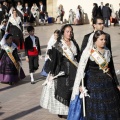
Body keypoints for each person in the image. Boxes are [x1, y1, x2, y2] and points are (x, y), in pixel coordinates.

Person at [68, 30, 120, 120]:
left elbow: (111, 69)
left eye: (105, 39)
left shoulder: (107, 51)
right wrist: (81, 84)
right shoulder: (89, 53)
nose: (104, 41)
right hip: (93, 84)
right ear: (95, 40)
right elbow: (83, 70)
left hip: (107, 84)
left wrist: (116, 83)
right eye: (101, 39)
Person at [40, 24, 80, 117]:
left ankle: (70, 110)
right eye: (67, 31)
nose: (69, 33)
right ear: (63, 32)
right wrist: (52, 72)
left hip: (74, 70)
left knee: (72, 90)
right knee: (63, 90)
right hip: (62, 71)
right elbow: (54, 59)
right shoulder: (58, 44)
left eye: (71, 31)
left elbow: (78, 57)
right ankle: (62, 112)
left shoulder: (74, 43)